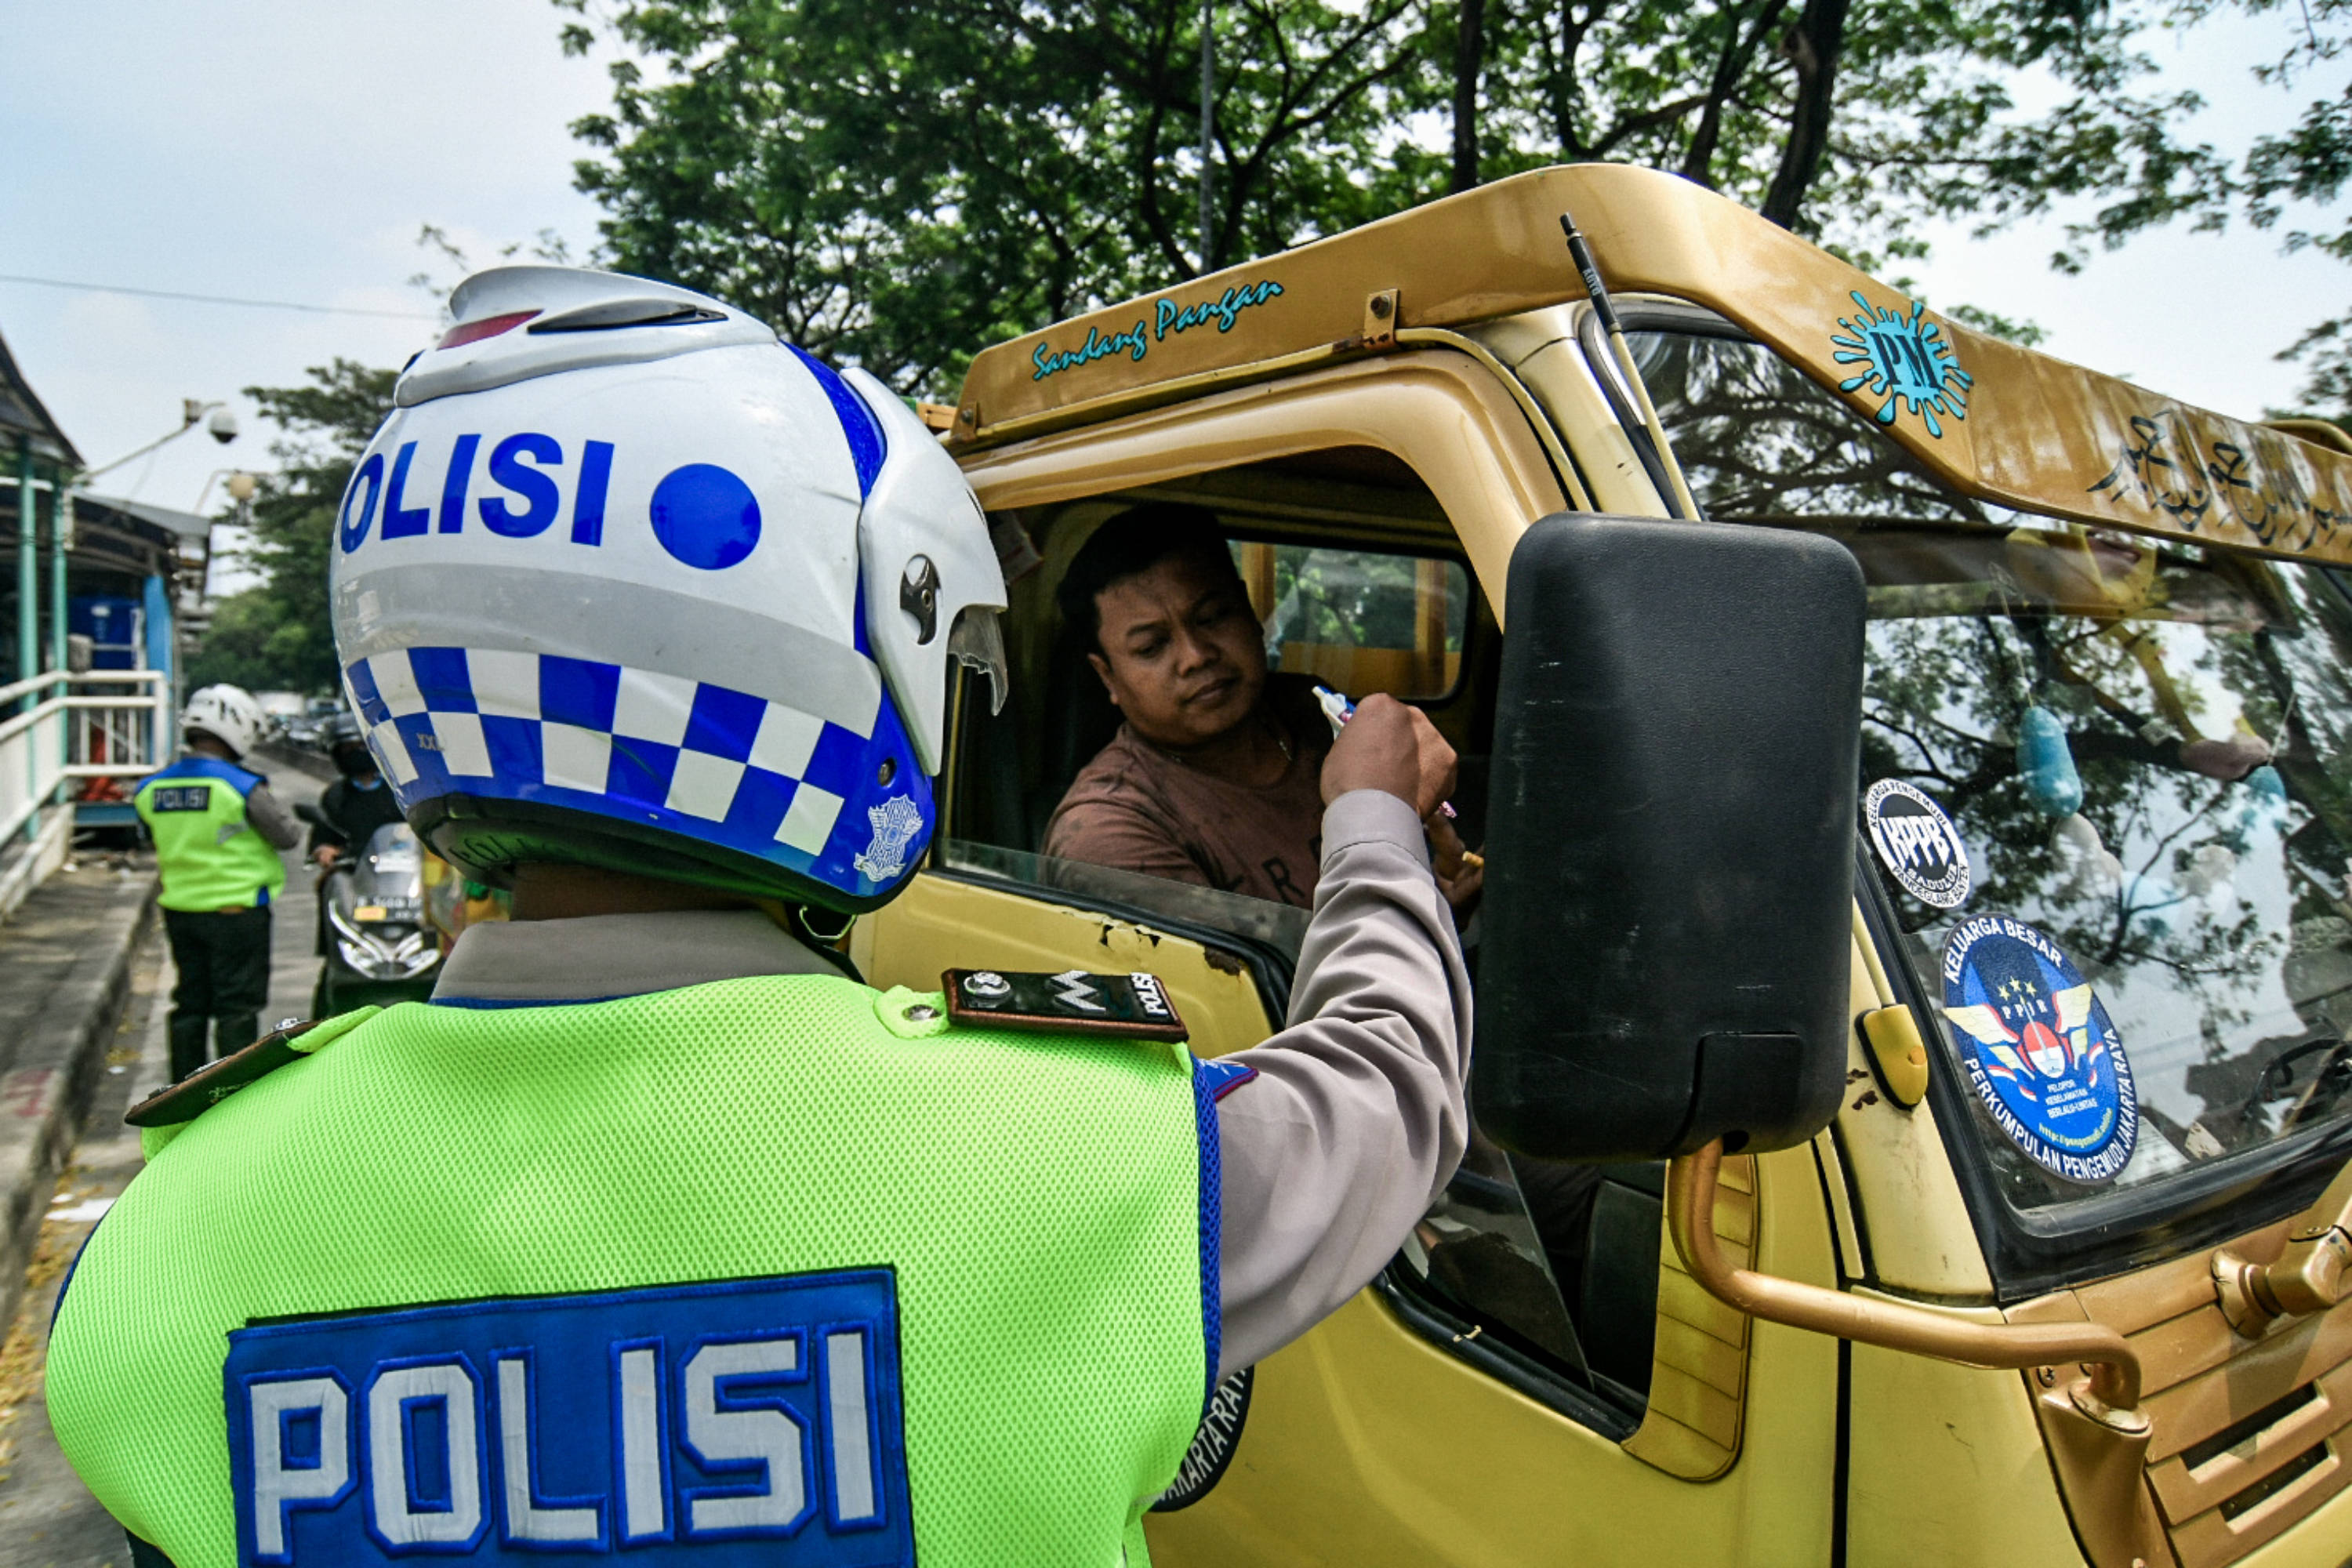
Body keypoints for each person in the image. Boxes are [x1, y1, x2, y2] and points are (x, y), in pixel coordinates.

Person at [46, 266, 1472, 1568]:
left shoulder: (159, 1247)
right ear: (839, 649)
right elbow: (1390, 1082)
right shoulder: (1086, 1162)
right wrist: (1376, 823)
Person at [1045, 503, 1483, 911]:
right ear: (1108, 677)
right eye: (1152, 646)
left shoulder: (1311, 711)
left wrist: (1442, 902)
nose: (1196, 655)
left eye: (1214, 616)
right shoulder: (1110, 832)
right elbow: (1234, 993)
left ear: (1249, 611)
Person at [132, 684, 301, 1081]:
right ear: (237, 727)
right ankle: (234, 1096)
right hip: (237, 913)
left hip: (181, 912)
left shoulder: (151, 789)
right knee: (236, 1007)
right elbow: (287, 837)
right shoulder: (241, 786)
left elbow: (149, 835)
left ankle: (183, 1094)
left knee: (190, 1003)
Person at [306, 712, 404, 869]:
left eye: (362, 747)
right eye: (348, 748)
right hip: (351, 872)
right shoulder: (335, 795)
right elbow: (322, 835)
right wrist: (324, 849)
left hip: (399, 870)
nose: (356, 752)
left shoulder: (401, 792)